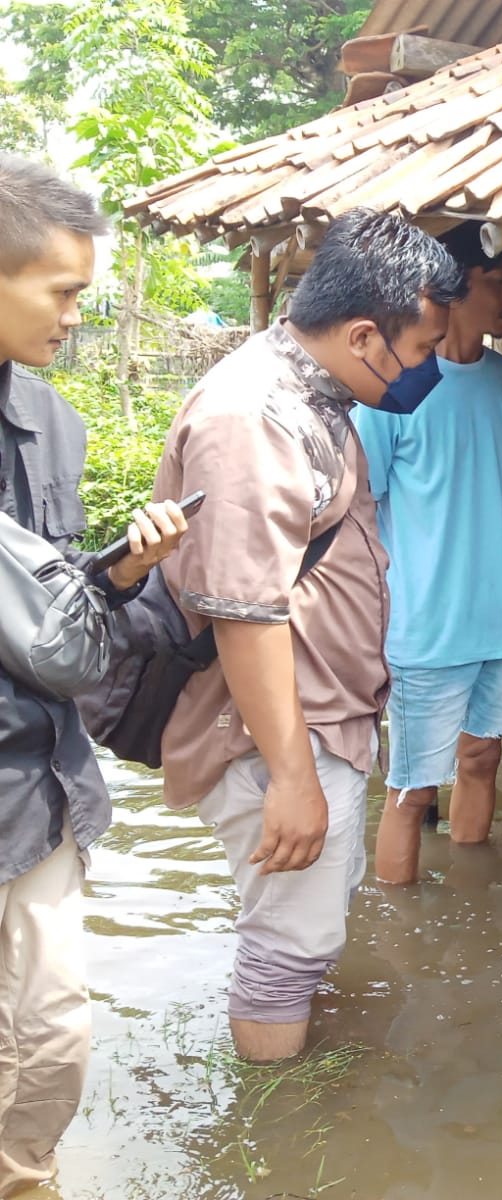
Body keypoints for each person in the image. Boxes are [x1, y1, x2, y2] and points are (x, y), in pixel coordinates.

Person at [152, 209, 465, 1062]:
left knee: (306, 927)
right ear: (365, 334)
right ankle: (279, 1135)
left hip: (322, 719)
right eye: (425, 346)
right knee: (287, 949)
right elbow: (246, 615)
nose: (431, 367)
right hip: (277, 734)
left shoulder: (313, 395)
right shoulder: (253, 419)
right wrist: (293, 779)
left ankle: (290, 1082)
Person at [0, 154, 188, 1196]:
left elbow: (55, 601)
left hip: (38, 779)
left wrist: (123, 567)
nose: (75, 314)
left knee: (51, 1027)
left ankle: (26, 1179)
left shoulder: (52, 424)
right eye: (62, 292)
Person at [353, 220, 502, 887]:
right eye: (498, 281)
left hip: (499, 615)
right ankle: (403, 931)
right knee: (414, 787)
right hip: (425, 625)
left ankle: (475, 904)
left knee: (482, 759)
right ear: (449, 288)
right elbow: (361, 514)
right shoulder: (392, 394)